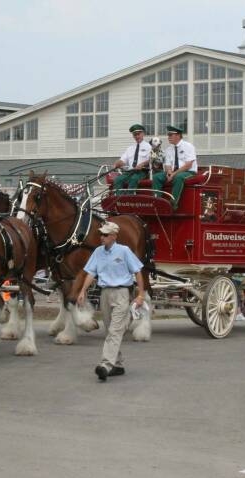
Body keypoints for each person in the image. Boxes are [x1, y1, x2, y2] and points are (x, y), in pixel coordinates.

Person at [77, 221, 145, 382]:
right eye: (101, 234)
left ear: (114, 236)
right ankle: (118, 365)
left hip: (121, 293)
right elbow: (91, 273)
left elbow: (138, 271)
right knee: (109, 331)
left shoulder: (124, 251)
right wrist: (82, 290)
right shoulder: (98, 252)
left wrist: (140, 294)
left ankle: (105, 365)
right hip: (105, 294)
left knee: (114, 331)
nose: (102, 237)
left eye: (106, 235)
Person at [153, 125, 197, 211]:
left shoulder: (188, 146)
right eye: (168, 135)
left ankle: (173, 204)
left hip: (189, 172)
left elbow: (188, 165)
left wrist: (173, 174)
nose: (168, 137)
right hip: (173, 172)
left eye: (170, 135)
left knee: (178, 177)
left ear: (178, 135)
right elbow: (167, 164)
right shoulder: (169, 149)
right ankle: (157, 202)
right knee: (156, 177)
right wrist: (169, 172)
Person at [111, 124, 151, 194]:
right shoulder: (130, 148)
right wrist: (116, 164)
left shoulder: (149, 147)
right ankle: (119, 201)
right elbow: (122, 160)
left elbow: (151, 160)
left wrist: (142, 164)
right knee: (118, 180)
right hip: (130, 171)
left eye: (138, 134)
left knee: (134, 179)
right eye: (135, 135)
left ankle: (130, 200)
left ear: (143, 134)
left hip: (142, 172)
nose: (137, 136)